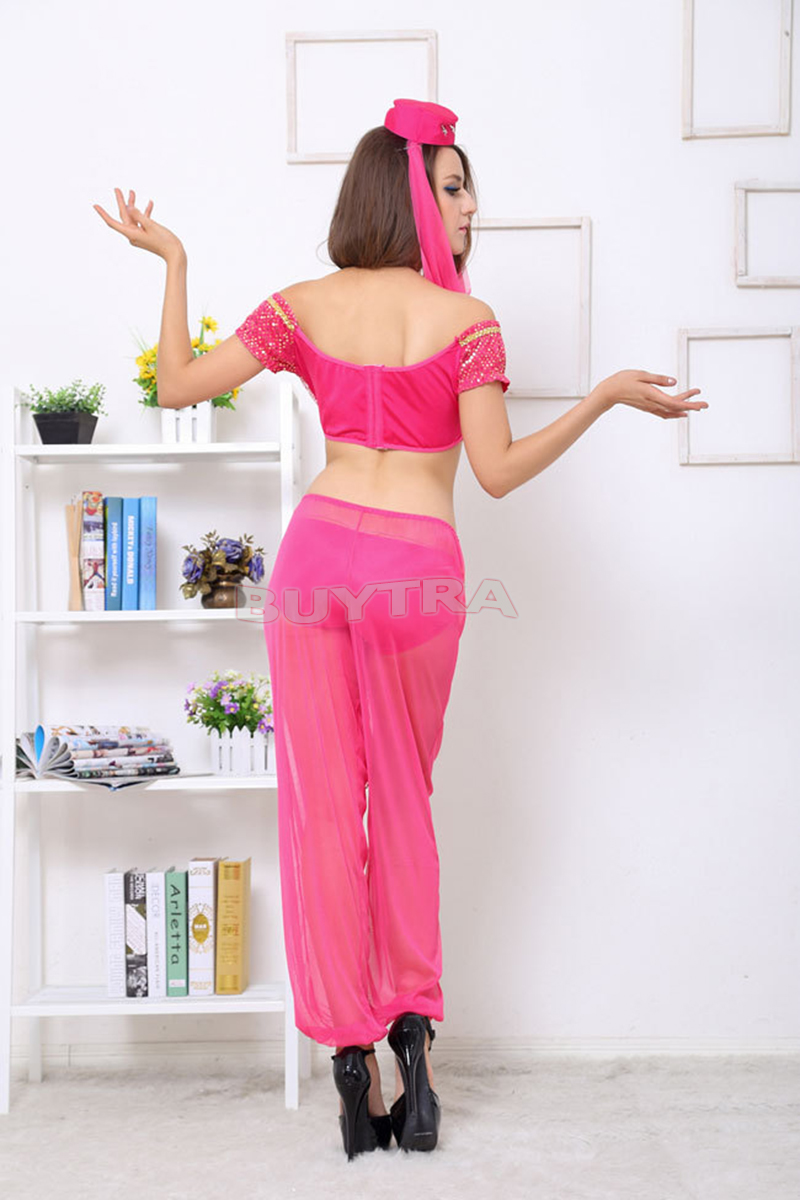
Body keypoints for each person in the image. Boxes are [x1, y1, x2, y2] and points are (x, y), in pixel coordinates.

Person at [93, 97, 707, 1161]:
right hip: (415, 572)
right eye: (454, 186)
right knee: (403, 807)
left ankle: (350, 1059)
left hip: (315, 560)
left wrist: (175, 261)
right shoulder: (467, 324)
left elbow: (181, 384)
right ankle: (412, 1042)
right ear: (411, 192)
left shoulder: (300, 305)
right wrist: (601, 397)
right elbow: (496, 474)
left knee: (325, 813)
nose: (470, 208)